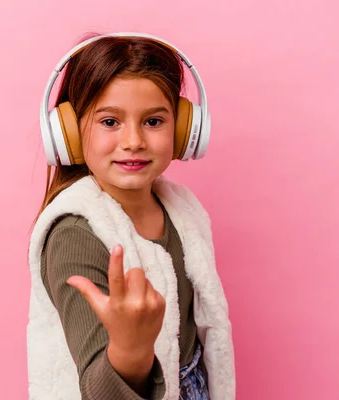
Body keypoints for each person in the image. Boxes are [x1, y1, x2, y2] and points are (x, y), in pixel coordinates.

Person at [27, 32, 235, 400]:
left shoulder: (181, 209)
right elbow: (99, 390)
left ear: (185, 129)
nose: (134, 141)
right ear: (70, 134)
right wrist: (130, 349)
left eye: (153, 122)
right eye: (110, 122)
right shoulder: (75, 233)